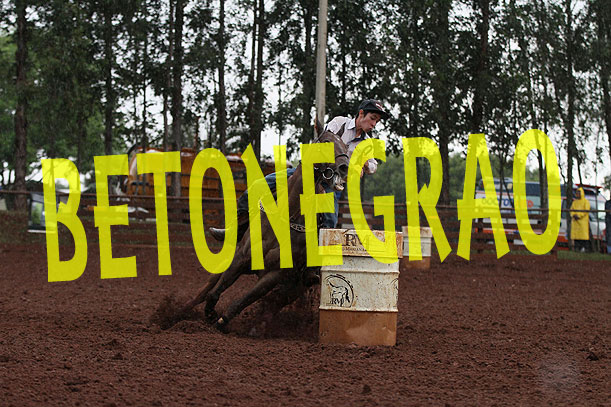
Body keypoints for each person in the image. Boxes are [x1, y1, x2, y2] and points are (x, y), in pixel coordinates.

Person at [209, 99, 390, 241]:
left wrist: (364, 164)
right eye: (373, 118)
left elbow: (373, 165)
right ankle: (234, 232)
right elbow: (325, 142)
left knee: (329, 222)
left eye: (377, 121)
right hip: (309, 171)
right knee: (257, 187)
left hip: (331, 185)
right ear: (361, 113)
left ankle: (318, 267)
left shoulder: (366, 143)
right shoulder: (339, 123)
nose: (374, 124)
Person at [570, 187, 590, 252]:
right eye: (577, 193)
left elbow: (586, 211)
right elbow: (571, 210)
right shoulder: (574, 202)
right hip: (575, 222)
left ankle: (584, 249)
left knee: (583, 236)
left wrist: (579, 215)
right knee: (576, 237)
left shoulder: (586, 202)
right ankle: (577, 249)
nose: (577, 194)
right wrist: (573, 215)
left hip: (583, 222)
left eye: (579, 193)